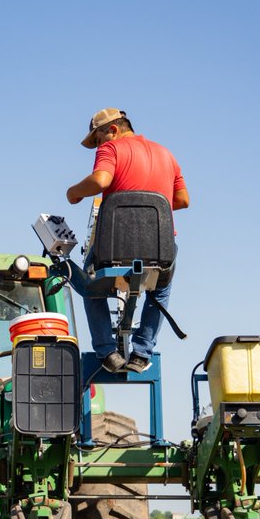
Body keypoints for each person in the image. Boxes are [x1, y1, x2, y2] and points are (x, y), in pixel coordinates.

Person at [66, 108, 190, 374]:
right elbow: (182, 200)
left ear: (112, 130)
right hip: (159, 248)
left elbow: (101, 180)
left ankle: (107, 352)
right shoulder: (167, 155)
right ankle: (142, 353)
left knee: (90, 286)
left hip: (114, 247)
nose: (99, 146)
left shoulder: (112, 149)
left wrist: (73, 192)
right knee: (161, 289)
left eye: (98, 140)